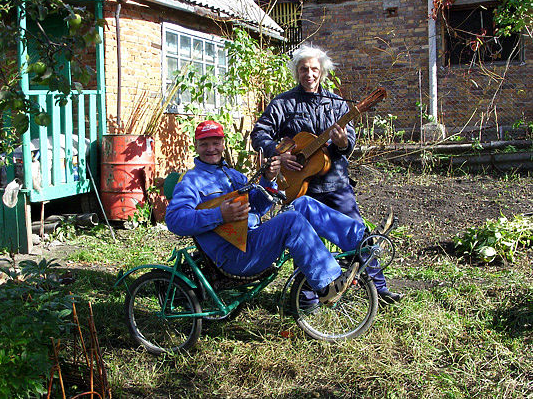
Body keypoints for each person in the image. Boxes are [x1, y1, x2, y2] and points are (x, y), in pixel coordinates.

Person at [250, 44, 403, 304]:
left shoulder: (336, 104)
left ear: (322, 72)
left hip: (336, 183)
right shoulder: (283, 103)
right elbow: (259, 133)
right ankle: (308, 299)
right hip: (301, 187)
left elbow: (349, 143)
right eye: (303, 69)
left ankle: (378, 289)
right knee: (305, 243)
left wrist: (342, 142)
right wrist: (279, 153)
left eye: (314, 69)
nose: (309, 74)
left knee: (356, 233)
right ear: (296, 71)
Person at [165, 120, 367, 305]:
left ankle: (361, 240)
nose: (211, 149)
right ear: (196, 146)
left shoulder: (232, 175)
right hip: (233, 256)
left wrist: (268, 178)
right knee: (291, 221)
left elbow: (259, 208)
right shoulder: (190, 181)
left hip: (252, 241)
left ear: (223, 143)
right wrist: (219, 215)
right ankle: (327, 286)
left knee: (303, 203)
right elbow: (174, 221)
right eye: (204, 144)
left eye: (215, 143)